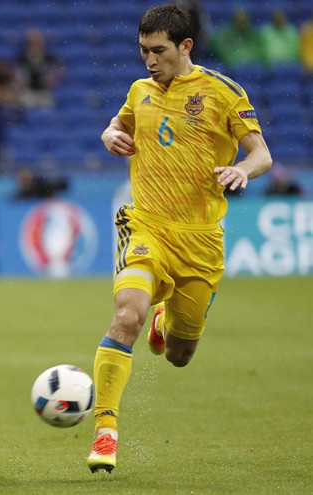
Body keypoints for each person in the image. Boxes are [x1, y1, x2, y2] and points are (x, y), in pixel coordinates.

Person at [87, 5, 272, 474]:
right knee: (126, 315)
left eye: (159, 51)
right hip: (145, 224)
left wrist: (240, 169)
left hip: (201, 240)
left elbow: (262, 154)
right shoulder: (139, 91)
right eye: (143, 51)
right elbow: (118, 124)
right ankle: (105, 433)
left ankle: (166, 318)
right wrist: (110, 133)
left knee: (179, 355)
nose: (150, 61)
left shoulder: (222, 93)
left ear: (185, 46)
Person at [14, 28, 64, 108]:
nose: (34, 43)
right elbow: (17, 74)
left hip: (45, 91)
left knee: (48, 105)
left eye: (36, 40)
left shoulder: (49, 58)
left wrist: (51, 79)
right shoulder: (22, 58)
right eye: (31, 41)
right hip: (28, 91)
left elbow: (59, 70)